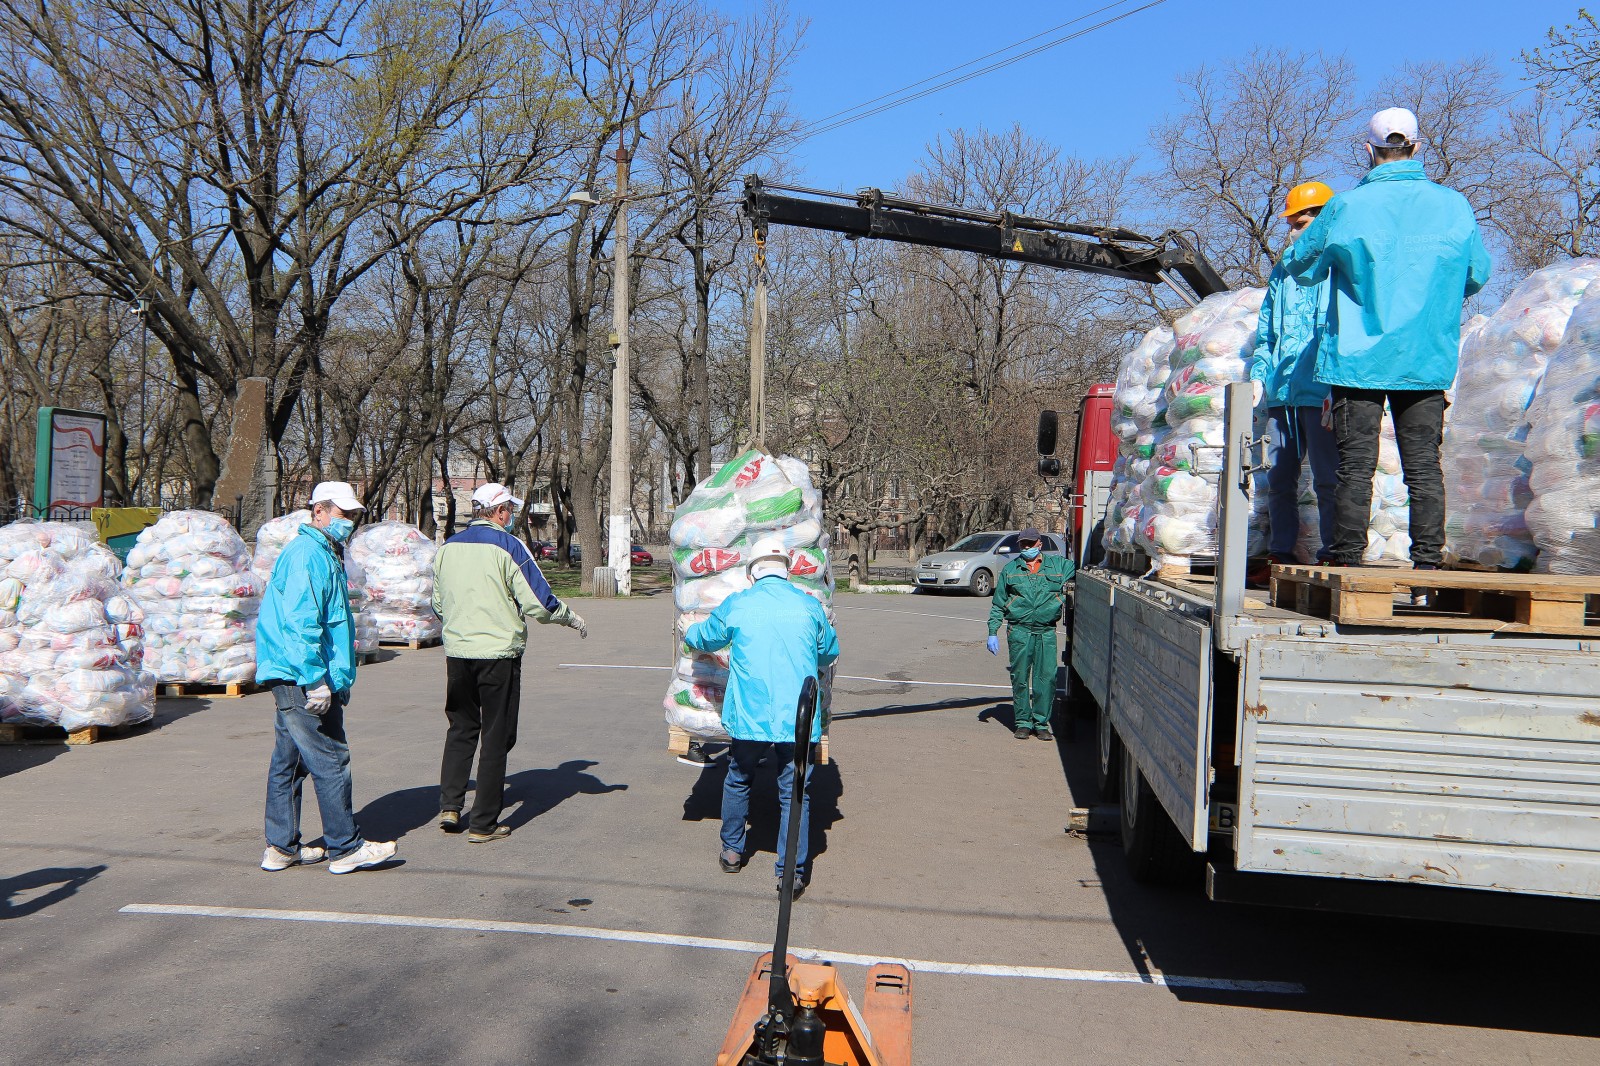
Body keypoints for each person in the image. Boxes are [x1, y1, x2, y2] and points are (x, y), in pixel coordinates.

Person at [1283, 107, 1492, 594]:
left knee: (1355, 467)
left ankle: (1350, 564)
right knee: (1423, 465)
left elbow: (1300, 264)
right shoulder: (1454, 205)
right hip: (1424, 355)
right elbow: (1477, 274)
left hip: (1358, 359)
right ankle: (1426, 568)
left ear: (1368, 150)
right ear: (1418, 148)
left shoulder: (1347, 206)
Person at [431, 483, 588, 842]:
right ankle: (483, 823)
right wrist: (570, 618)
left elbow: (438, 602)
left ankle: (450, 805)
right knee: (497, 734)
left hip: (457, 652)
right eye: (509, 510)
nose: (512, 516)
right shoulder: (508, 546)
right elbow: (538, 601)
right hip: (497, 654)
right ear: (499, 512)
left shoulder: (447, 548)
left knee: (461, 727)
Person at [683, 536, 840, 893]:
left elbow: (706, 638)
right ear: (787, 571)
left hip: (751, 713)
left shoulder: (739, 603)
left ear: (752, 572)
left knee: (738, 776)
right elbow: (828, 652)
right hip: (797, 716)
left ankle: (733, 851)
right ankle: (791, 872)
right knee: (794, 789)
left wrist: (687, 630)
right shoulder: (808, 605)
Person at [256, 481, 397, 874]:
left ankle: (281, 847)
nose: (348, 521)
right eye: (341, 513)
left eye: (352, 515)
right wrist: (315, 680)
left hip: (293, 672)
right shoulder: (308, 555)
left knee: (290, 760)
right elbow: (301, 623)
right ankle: (345, 847)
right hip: (302, 674)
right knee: (331, 757)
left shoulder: (320, 551)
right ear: (318, 511)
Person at [1251, 180, 1339, 580]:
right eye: (1292, 222)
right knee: (1280, 479)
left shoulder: (1338, 266)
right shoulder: (1282, 271)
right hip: (1283, 393)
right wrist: (1258, 375)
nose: (1294, 229)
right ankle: (1280, 552)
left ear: (1323, 220)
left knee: (1327, 477)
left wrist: (1337, 383)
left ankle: (1334, 552)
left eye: (1302, 221)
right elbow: (1266, 332)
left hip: (1320, 389)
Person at [987, 528, 1074, 741]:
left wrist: (1061, 597)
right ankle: (1023, 723)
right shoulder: (1011, 570)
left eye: (1030, 544)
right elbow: (998, 603)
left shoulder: (1058, 567)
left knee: (1046, 678)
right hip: (1019, 630)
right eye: (1023, 544)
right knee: (1020, 678)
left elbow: (1078, 569)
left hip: (1046, 632)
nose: (1027, 548)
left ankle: (1041, 723)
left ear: (1040, 544)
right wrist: (992, 631)